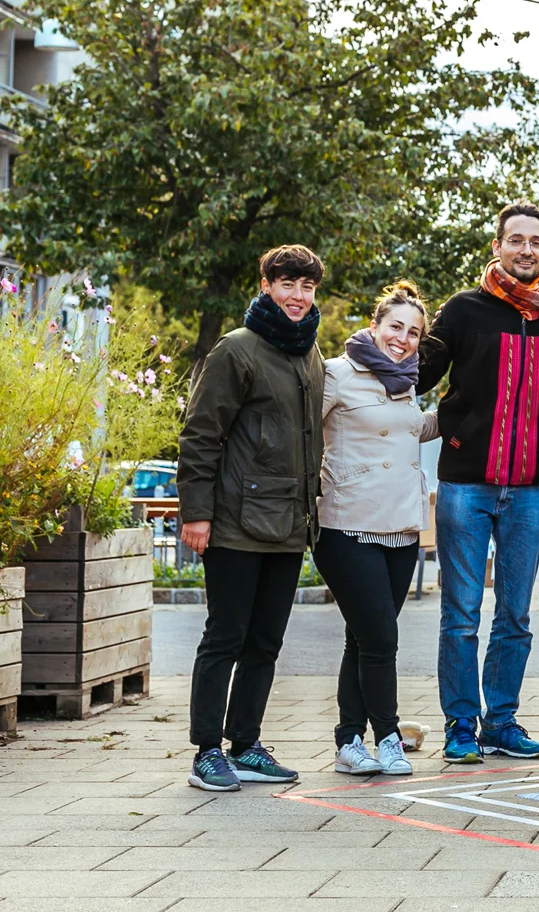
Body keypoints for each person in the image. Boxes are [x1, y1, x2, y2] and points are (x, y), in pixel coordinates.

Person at [418, 202, 539, 763]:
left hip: (530, 489)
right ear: (497, 246)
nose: (526, 249)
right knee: (461, 614)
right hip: (466, 484)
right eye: (516, 240)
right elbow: (418, 371)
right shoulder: (463, 309)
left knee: (515, 616)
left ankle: (502, 721)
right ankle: (461, 725)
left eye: (535, 241)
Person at [177, 245, 326, 792]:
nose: (298, 296)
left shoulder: (309, 353)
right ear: (266, 285)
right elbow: (200, 435)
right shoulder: (236, 349)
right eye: (288, 284)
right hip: (235, 523)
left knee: (265, 642)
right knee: (225, 637)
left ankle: (245, 745)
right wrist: (197, 513)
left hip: (288, 525)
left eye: (307, 286)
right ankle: (206, 752)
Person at [312, 281, 439, 777]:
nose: (402, 339)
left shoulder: (405, 382)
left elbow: (410, 430)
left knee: (362, 639)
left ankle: (349, 742)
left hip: (401, 527)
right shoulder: (337, 373)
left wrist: (454, 412)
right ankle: (387, 736)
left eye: (413, 332)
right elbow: (303, 431)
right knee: (382, 639)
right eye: (395, 327)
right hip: (347, 524)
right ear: (375, 325)